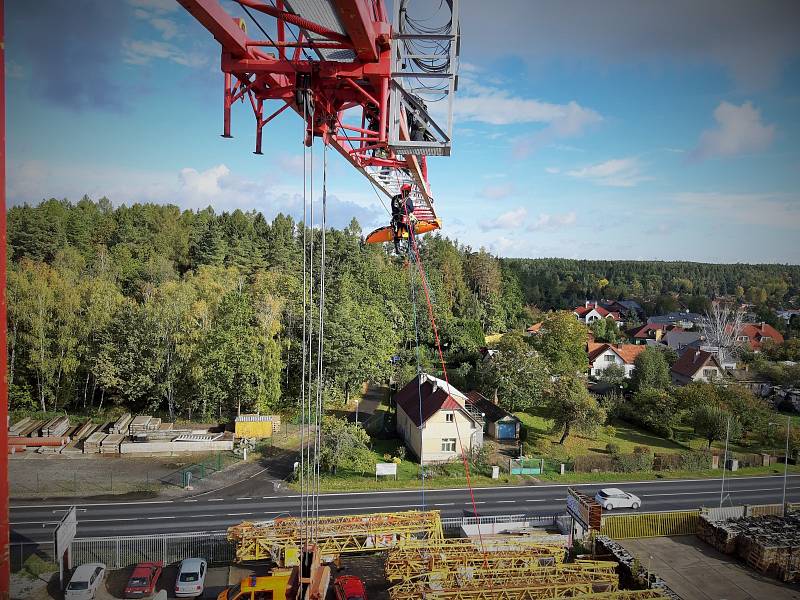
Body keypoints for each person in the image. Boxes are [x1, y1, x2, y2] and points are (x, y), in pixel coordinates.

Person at [390, 183, 416, 253]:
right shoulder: (408, 200)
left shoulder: (394, 198)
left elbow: (393, 208)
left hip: (397, 219)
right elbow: (412, 209)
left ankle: (397, 248)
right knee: (411, 232)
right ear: (407, 191)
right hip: (405, 220)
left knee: (398, 231)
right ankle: (410, 247)